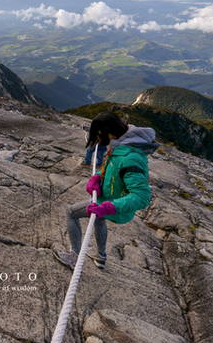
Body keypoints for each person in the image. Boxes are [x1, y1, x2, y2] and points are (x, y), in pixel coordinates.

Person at [55, 111, 159, 269]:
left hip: (114, 205)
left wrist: (107, 207)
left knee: (71, 213)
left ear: (106, 132)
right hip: (108, 199)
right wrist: (97, 177)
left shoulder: (130, 156)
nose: (97, 138)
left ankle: (74, 256)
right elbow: (114, 171)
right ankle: (101, 256)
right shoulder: (124, 144)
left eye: (98, 133)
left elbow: (142, 197)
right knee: (98, 219)